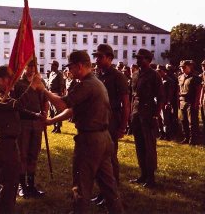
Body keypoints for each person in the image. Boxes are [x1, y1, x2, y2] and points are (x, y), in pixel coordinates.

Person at [31, 51, 124, 214]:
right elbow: (73, 109)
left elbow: (62, 104)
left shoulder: (87, 84)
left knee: (81, 186)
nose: (70, 71)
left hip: (89, 142)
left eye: (71, 67)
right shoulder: (95, 82)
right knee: (109, 187)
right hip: (103, 139)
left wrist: (42, 89)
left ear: (80, 66)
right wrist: (51, 121)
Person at [0, 65, 44, 214]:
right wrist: (33, 86)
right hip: (5, 146)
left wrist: (36, 116)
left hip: (8, 144)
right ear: (1, 80)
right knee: (9, 184)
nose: (13, 80)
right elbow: (18, 105)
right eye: (10, 77)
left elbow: (20, 110)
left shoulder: (6, 96)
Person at [92, 44, 130, 206]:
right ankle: (103, 192)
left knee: (110, 157)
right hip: (99, 120)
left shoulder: (118, 76)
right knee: (99, 158)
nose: (97, 59)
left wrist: (122, 126)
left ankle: (111, 194)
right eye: (96, 56)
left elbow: (126, 103)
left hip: (112, 120)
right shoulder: (98, 75)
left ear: (109, 58)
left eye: (100, 57)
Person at [12, 61, 49, 198]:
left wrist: (45, 114)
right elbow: (17, 105)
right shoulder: (18, 84)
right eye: (29, 66)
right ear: (24, 67)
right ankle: (22, 186)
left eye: (34, 66)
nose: (32, 68)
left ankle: (31, 185)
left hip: (37, 124)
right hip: (24, 123)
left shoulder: (40, 81)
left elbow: (45, 101)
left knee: (33, 155)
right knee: (23, 155)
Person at [129, 49, 164, 189]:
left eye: (141, 58)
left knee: (149, 146)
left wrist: (156, 115)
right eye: (137, 57)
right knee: (139, 145)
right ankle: (143, 174)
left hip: (148, 113)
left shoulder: (154, 75)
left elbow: (161, 98)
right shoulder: (135, 74)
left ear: (148, 60)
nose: (138, 60)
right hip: (136, 113)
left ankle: (151, 178)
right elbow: (133, 95)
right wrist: (131, 113)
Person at [178, 60, 202, 145]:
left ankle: (193, 140)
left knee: (192, 122)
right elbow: (179, 90)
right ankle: (186, 137)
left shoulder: (195, 78)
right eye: (181, 67)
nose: (182, 69)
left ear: (190, 67)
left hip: (191, 101)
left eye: (184, 67)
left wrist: (196, 103)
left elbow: (198, 91)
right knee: (183, 120)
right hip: (182, 101)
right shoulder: (180, 77)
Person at [46, 60, 65, 133]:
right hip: (50, 93)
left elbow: (61, 85)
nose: (51, 66)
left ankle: (58, 127)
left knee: (57, 111)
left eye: (52, 65)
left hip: (56, 93)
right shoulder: (51, 74)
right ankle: (54, 126)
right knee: (52, 112)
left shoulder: (59, 74)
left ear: (56, 66)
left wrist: (60, 96)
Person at [156, 65, 174, 140]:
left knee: (165, 120)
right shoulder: (158, 80)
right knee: (159, 119)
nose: (158, 72)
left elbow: (170, 93)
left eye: (160, 71)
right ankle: (162, 134)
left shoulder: (168, 81)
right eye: (158, 71)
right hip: (158, 102)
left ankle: (167, 135)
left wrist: (168, 103)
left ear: (164, 71)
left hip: (164, 102)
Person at [165, 64, 179, 137]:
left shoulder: (173, 78)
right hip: (171, 98)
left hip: (172, 99)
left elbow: (175, 90)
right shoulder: (172, 77)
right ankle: (173, 129)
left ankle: (174, 130)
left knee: (173, 115)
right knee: (170, 115)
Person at [200, 60, 205, 145]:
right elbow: (203, 88)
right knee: (203, 116)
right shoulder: (203, 75)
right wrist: (200, 99)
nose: (203, 67)